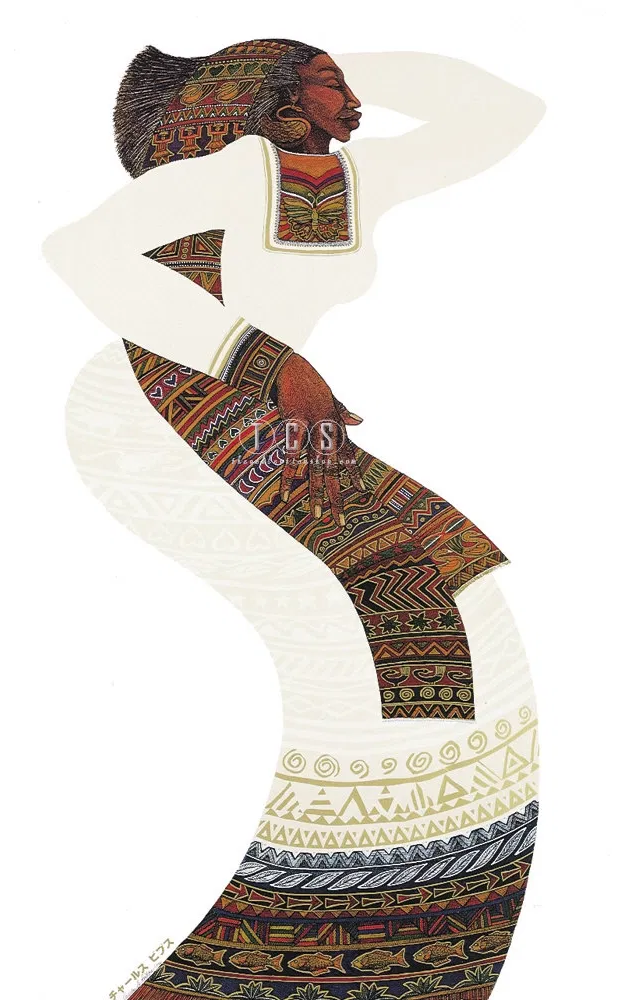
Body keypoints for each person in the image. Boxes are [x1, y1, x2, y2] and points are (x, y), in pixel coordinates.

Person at [44, 38, 544, 1000]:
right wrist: (263, 359)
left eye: (347, 82)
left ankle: (393, 939)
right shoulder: (226, 176)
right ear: (277, 100)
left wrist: (336, 68)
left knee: (459, 591)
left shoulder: (359, 178)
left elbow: (507, 114)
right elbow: (74, 251)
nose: (353, 97)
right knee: (393, 625)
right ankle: (320, 940)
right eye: (329, 84)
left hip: (273, 419)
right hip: (152, 409)